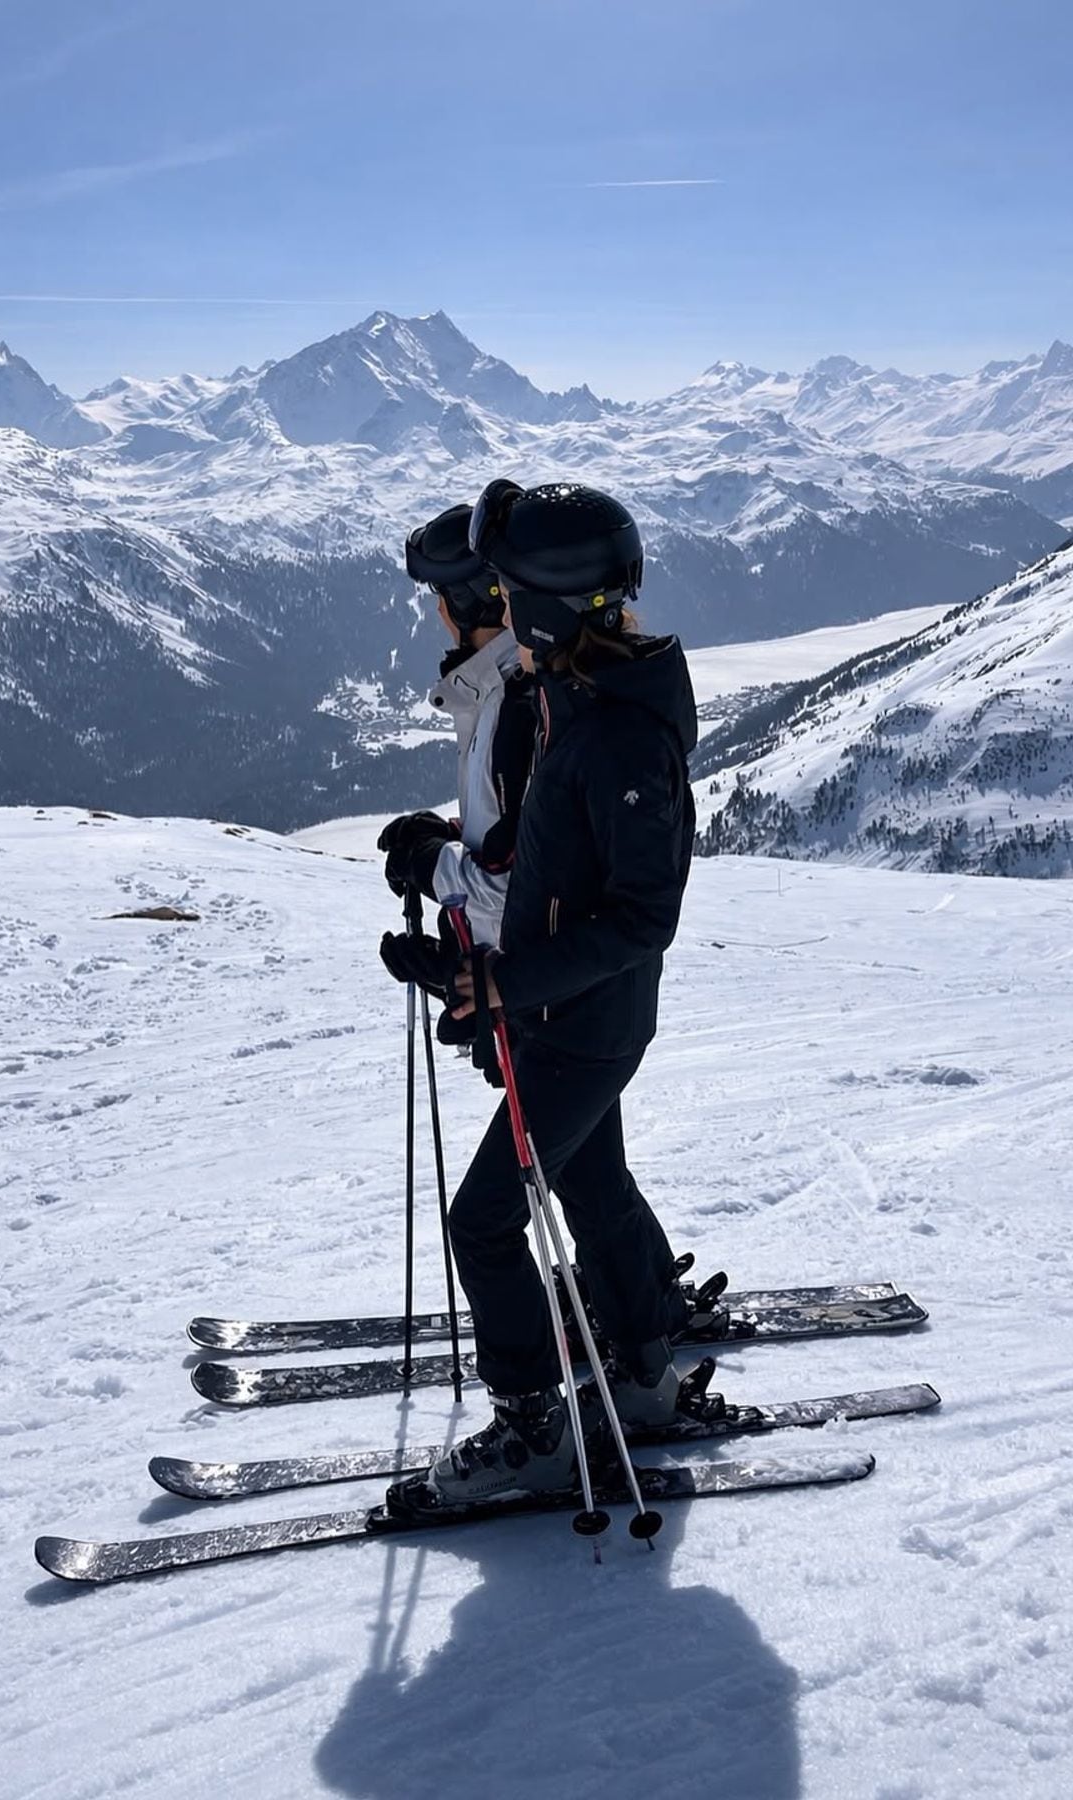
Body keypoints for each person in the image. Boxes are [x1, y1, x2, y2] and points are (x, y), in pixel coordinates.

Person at [389, 479, 699, 1516]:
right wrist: (470, 965)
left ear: (551, 608)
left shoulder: (613, 735)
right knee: (592, 1188)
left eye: (514, 597)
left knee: (481, 1223)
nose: (502, 612)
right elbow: (544, 873)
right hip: (567, 1017)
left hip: (583, 1028)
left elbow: (639, 917)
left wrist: (505, 981)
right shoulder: (568, 693)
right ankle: (647, 1379)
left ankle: (532, 1428)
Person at [376, 503, 536, 1013]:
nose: (437, 613)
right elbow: (513, 843)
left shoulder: (514, 707)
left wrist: (431, 865)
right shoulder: (500, 690)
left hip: (535, 1010)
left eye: (440, 597)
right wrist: (450, 840)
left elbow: (515, 887)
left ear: (464, 604)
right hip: (523, 995)